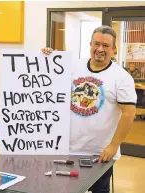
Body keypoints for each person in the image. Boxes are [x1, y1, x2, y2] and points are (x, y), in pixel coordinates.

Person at [42, 25, 137, 193]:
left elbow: (129, 114)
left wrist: (113, 146)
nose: (100, 49)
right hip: (67, 148)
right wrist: (46, 58)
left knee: (99, 190)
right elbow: (47, 81)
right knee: (65, 188)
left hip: (100, 153)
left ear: (114, 49)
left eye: (106, 46)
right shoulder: (72, 66)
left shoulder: (122, 77)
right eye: (96, 44)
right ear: (90, 45)